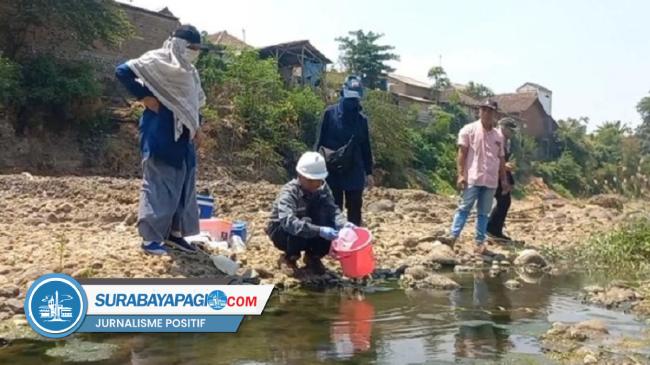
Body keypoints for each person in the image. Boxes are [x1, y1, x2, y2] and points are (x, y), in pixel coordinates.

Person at [115, 24, 208, 255]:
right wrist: (145, 96)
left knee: (184, 185)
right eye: (192, 47)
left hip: (184, 137)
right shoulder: (157, 61)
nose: (195, 51)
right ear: (179, 45)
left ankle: (175, 234)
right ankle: (150, 239)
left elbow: (192, 104)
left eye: (198, 48)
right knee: (158, 185)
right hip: (160, 132)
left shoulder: (190, 72)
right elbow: (122, 71)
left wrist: (197, 127)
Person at [266, 152, 353, 275]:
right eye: (311, 180)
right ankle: (289, 257)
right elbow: (289, 223)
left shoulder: (322, 188)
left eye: (318, 180)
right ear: (300, 176)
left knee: (329, 222)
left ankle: (313, 256)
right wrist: (319, 230)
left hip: (309, 226)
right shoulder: (289, 192)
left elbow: (332, 209)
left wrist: (343, 224)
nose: (316, 184)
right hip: (282, 232)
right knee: (304, 223)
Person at [443, 100, 511, 256]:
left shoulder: (498, 136)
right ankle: (453, 237)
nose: (487, 113)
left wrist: (504, 181)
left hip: (491, 180)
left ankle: (479, 243)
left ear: (495, 114)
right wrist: (461, 174)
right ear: (479, 111)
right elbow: (462, 153)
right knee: (464, 208)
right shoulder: (469, 130)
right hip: (473, 177)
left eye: (490, 111)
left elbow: (501, 160)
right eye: (484, 110)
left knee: (483, 213)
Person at [315, 76, 374, 226]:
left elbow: (366, 146)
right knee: (333, 208)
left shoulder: (361, 120)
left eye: (356, 99)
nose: (352, 102)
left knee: (354, 209)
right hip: (332, 168)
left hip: (354, 170)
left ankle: (352, 243)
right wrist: (315, 170)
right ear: (343, 93)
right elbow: (318, 143)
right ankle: (333, 242)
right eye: (350, 98)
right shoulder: (329, 114)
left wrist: (369, 172)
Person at [487, 118, 518, 241]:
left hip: (501, 172)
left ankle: (494, 228)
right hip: (494, 173)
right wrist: (504, 166)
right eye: (511, 130)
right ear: (503, 128)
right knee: (503, 201)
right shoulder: (496, 138)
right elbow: (490, 157)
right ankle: (492, 229)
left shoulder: (506, 141)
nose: (512, 133)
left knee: (504, 200)